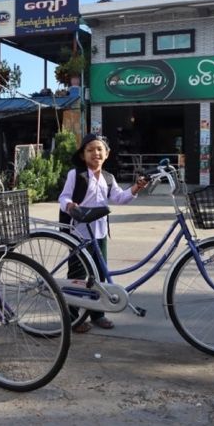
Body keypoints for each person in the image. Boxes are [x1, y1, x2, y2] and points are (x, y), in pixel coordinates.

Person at [59, 133, 148, 332]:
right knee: (78, 276)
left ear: (107, 154)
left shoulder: (108, 178)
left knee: (100, 274)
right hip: (78, 234)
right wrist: (70, 205)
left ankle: (97, 314)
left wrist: (135, 188)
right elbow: (63, 197)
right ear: (83, 155)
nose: (95, 153)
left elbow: (119, 198)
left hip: (99, 234)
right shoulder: (76, 174)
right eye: (90, 150)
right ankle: (74, 319)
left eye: (99, 149)